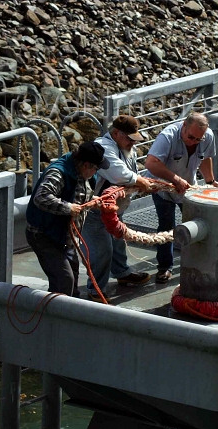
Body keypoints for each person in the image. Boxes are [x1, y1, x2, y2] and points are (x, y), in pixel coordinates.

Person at [144, 112, 218, 283]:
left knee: (198, 224)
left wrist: (210, 181)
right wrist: (175, 179)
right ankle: (165, 267)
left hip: (188, 189)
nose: (193, 141)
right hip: (163, 188)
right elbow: (150, 163)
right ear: (183, 126)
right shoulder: (168, 137)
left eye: (198, 140)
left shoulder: (207, 137)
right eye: (190, 137)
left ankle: (198, 264)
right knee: (166, 226)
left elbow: (205, 158)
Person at [81, 114, 153, 301]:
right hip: (95, 208)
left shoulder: (128, 149)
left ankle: (122, 272)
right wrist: (140, 181)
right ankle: (95, 289)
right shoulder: (103, 148)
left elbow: (132, 173)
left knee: (117, 241)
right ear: (115, 134)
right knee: (102, 250)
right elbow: (119, 174)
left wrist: (139, 183)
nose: (132, 143)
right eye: (129, 139)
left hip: (114, 208)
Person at [25, 141, 109, 296]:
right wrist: (68, 208)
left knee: (73, 279)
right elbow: (41, 197)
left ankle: (69, 310)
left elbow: (80, 195)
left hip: (65, 238)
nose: (96, 172)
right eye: (96, 168)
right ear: (86, 165)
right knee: (64, 280)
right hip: (44, 235)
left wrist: (95, 201)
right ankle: (54, 315)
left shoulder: (83, 173)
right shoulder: (58, 173)